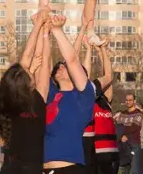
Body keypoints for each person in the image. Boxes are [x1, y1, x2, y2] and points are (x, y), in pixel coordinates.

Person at [0, 9, 51, 174]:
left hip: (12, 166)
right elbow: (41, 62)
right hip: (30, 167)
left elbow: (28, 57)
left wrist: (39, 26)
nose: (29, 69)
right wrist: (44, 32)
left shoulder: (9, 101)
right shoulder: (37, 98)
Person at [44, 13, 97, 173]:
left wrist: (58, 30)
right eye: (58, 66)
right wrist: (44, 31)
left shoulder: (83, 97)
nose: (60, 66)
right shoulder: (50, 94)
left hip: (69, 169)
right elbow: (45, 63)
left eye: (63, 66)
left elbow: (72, 59)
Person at [81, 40, 117, 174]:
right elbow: (84, 77)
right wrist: (89, 50)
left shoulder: (106, 100)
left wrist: (102, 50)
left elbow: (108, 76)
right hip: (94, 152)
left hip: (111, 152)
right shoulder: (86, 101)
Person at [115, 94, 143, 174]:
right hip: (123, 145)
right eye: (127, 100)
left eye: (130, 100)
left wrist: (125, 135)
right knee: (124, 169)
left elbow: (135, 127)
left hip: (134, 145)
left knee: (135, 169)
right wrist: (121, 136)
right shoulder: (122, 113)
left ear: (134, 101)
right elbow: (118, 126)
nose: (128, 102)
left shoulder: (138, 113)